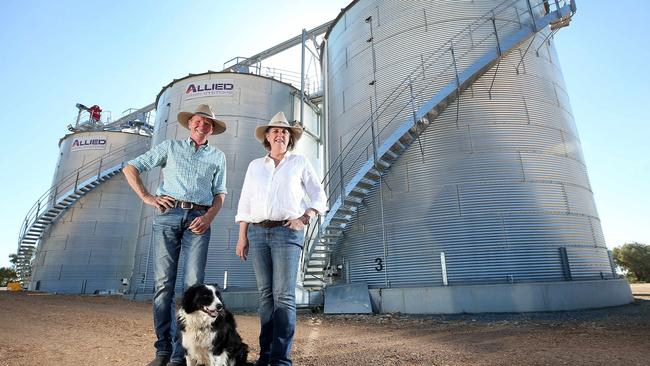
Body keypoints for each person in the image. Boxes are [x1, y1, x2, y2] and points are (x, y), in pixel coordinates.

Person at [123, 104, 227, 366]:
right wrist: (148, 197)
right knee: (163, 287)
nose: (202, 125)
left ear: (211, 129)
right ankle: (163, 351)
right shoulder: (170, 147)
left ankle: (181, 355)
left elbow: (220, 193)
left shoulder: (218, 156)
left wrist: (208, 217)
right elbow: (130, 167)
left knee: (193, 290)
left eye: (207, 123)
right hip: (168, 216)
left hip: (199, 221)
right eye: (198, 121)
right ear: (189, 123)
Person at [235, 111, 327, 366]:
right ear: (267, 136)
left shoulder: (299, 163)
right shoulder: (255, 166)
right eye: (275, 130)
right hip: (257, 231)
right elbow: (245, 202)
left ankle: (280, 359)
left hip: (287, 233)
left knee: (283, 296)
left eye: (285, 131)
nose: (280, 134)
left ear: (290, 138)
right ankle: (265, 356)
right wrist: (242, 236)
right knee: (265, 296)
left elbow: (319, 197)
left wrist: (305, 217)